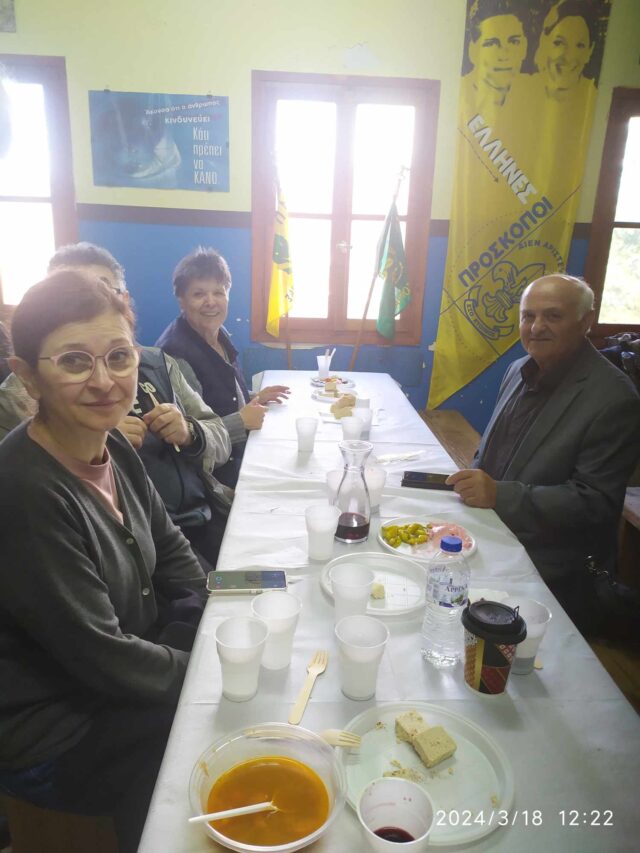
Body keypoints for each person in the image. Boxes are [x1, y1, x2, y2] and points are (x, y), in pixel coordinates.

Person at [0, 271, 207, 853]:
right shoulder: (25, 492)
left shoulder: (110, 442)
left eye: (119, 356)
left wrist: (216, 611)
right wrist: (205, 671)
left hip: (116, 674)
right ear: (26, 376)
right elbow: (103, 656)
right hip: (56, 731)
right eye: (74, 362)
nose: (104, 381)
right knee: (207, 739)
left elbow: (171, 548)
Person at [0, 242, 233, 569]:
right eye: (73, 360)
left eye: (100, 291)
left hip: (203, 519)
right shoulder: (20, 398)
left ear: (123, 299)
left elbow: (220, 437)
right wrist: (99, 434)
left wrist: (191, 432)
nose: (103, 382)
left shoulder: (159, 364)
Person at [447, 274, 640, 628]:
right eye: (528, 316)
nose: (536, 327)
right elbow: (491, 454)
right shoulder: (517, 370)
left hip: (551, 563)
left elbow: (596, 503)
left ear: (585, 321)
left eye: (553, 316)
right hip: (491, 529)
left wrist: (499, 495)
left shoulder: (614, 398)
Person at [156, 247, 290, 487]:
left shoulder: (220, 333)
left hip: (238, 453)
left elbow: (222, 392)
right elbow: (190, 436)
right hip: (212, 479)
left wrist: (254, 397)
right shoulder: (176, 356)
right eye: (199, 294)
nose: (210, 302)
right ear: (182, 301)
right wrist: (241, 420)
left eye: (218, 292)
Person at [461, 0, 529, 115]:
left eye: (514, 42)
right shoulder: (459, 97)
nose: (504, 55)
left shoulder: (533, 97)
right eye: (491, 43)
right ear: (472, 51)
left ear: (524, 48)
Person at [533, 0, 596, 103]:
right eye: (559, 43)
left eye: (580, 45)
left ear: (590, 50)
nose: (569, 57)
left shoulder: (596, 98)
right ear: (543, 42)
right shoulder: (521, 90)